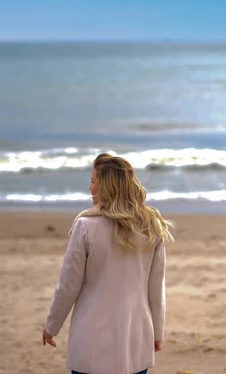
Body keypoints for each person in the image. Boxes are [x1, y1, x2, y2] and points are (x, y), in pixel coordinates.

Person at [42, 153, 174, 374]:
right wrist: (157, 333)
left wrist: (51, 326)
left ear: (106, 187)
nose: (90, 188)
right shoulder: (151, 226)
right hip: (136, 338)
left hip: (92, 341)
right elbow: (156, 290)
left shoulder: (85, 226)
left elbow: (68, 286)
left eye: (93, 181)